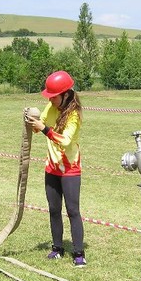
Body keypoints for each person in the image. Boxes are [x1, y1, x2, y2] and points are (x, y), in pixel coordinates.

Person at [27, 70, 86, 267]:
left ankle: (78, 253)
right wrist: (30, 120)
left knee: (72, 210)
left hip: (69, 169)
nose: (50, 99)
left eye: (54, 96)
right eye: (49, 96)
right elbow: (40, 126)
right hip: (51, 168)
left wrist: (43, 128)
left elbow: (65, 140)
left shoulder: (74, 116)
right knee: (54, 209)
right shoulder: (51, 107)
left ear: (66, 94)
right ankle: (57, 248)